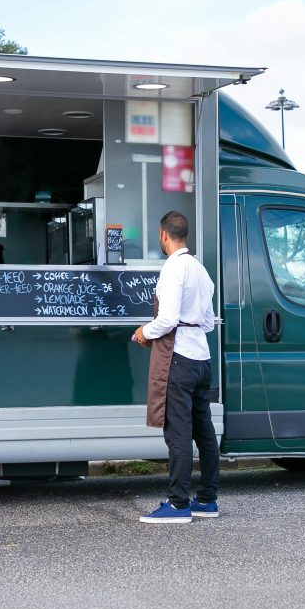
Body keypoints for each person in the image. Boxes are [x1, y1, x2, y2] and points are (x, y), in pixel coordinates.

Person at [133, 211, 219, 524]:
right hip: (202, 360)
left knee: (178, 433)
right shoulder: (200, 270)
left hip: (179, 359)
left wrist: (145, 331)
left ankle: (179, 504)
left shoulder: (173, 269)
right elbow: (208, 322)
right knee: (204, 432)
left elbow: (167, 319)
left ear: (163, 235)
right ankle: (208, 499)